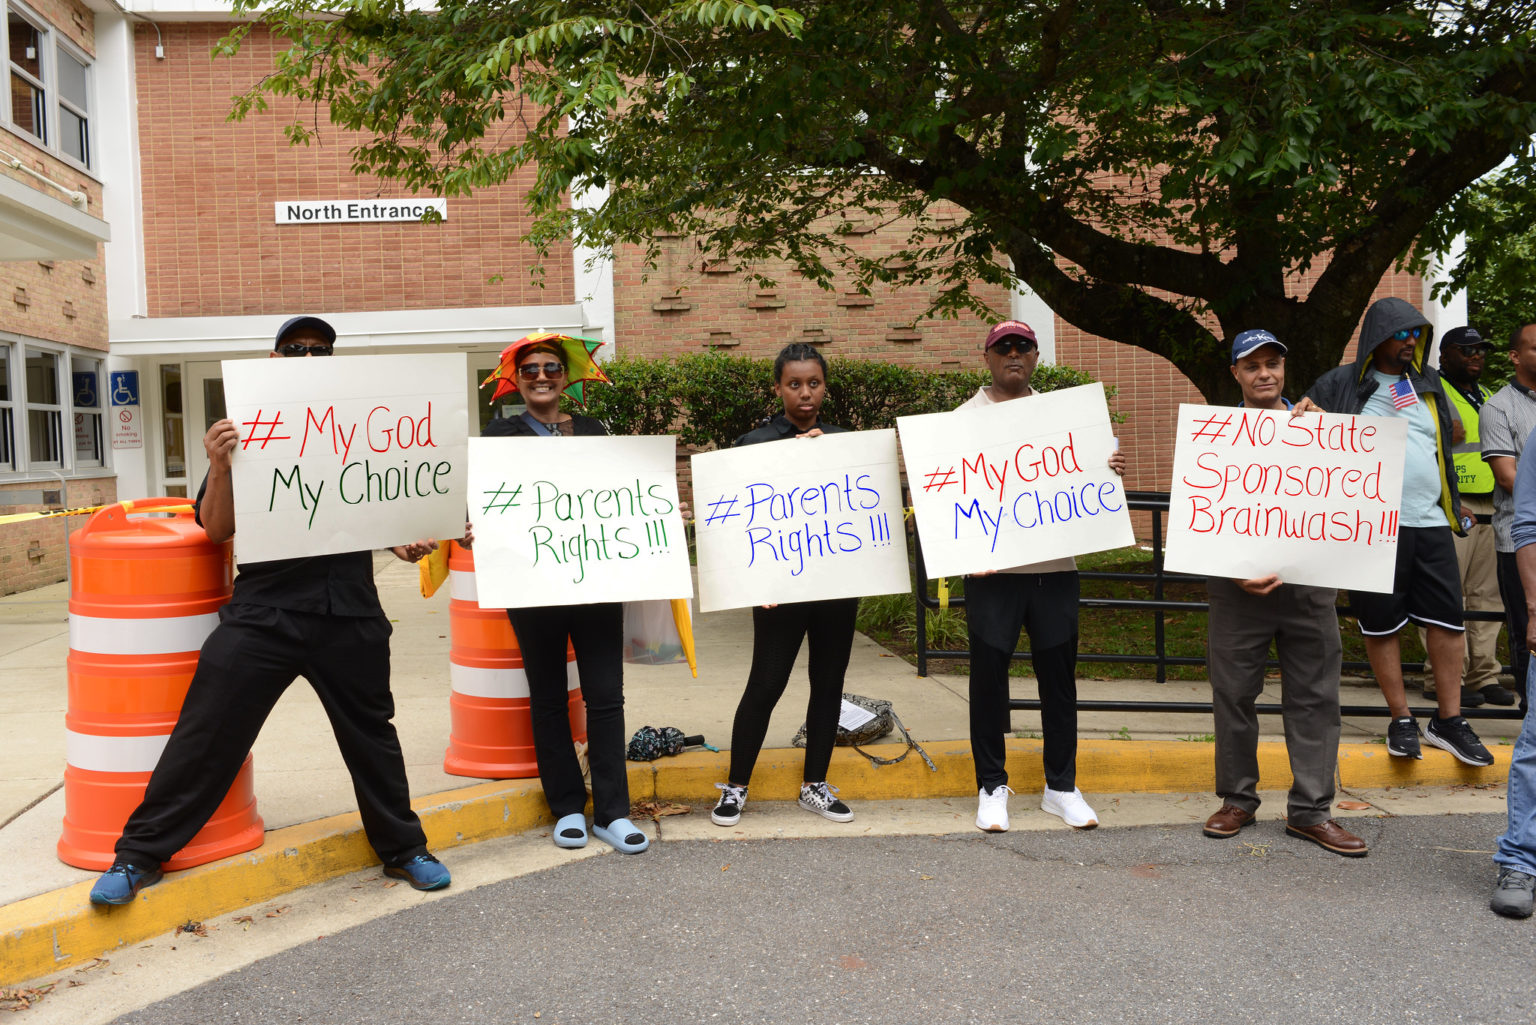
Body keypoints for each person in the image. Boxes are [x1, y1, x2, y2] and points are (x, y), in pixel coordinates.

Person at [89, 316, 451, 905]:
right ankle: (139, 856)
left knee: (372, 737)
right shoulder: (244, 433)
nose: (308, 356)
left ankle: (404, 848)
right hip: (265, 612)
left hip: (349, 611)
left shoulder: (356, 431)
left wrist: (403, 538)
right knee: (207, 730)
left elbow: (369, 504)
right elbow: (216, 529)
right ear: (275, 358)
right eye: (296, 348)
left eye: (320, 349)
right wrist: (221, 464)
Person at [1292, 297, 1493, 767]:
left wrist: (1450, 495)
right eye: (1402, 334)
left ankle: (1448, 719)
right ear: (1378, 337)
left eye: (1416, 335)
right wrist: (1305, 414)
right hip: (1370, 526)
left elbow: (1443, 442)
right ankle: (1401, 718)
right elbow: (1303, 437)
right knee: (1381, 623)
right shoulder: (1340, 383)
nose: (1410, 342)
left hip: (1430, 520)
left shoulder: (1426, 383)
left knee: (1447, 620)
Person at [481, 334, 650, 854]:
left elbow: (620, 495)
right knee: (549, 697)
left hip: (596, 581)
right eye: (529, 369)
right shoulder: (499, 434)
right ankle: (568, 808)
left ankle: (613, 812)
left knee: (605, 695)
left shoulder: (596, 430)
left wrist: (655, 509)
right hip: (532, 586)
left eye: (551, 367)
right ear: (515, 377)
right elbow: (488, 502)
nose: (540, 377)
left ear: (566, 375)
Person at [1201, 330, 1365, 856]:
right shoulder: (1215, 435)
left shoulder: (1320, 429)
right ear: (1236, 375)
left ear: (1284, 370)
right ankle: (1237, 800)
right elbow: (1198, 520)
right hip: (1236, 591)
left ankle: (1312, 811)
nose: (1264, 374)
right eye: (1252, 367)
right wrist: (1233, 571)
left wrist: (1329, 443)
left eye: (1273, 363)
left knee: (1316, 697)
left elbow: (1354, 497)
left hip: (1309, 587)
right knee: (1233, 695)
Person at [963, 319, 1126, 832]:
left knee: (1059, 683)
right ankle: (991, 786)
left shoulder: (1066, 421)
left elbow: (1086, 480)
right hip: (992, 573)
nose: (1014, 353)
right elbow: (943, 493)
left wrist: (1108, 467)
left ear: (1035, 357)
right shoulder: (962, 421)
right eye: (1003, 347)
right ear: (987, 357)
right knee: (989, 684)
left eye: (1023, 347)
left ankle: (1061, 786)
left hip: (1054, 571)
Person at [711, 343, 860, 827]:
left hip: (835, 587)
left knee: (828, 684)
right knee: (766, 683)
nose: (805, 393)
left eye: (813, 383)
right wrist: (751, 581)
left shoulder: (845, 442)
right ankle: (736, 787)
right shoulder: (754, 444)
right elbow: (734, 525)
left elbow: (864, 511)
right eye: (794, 384)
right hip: (778, 588)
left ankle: (815, 784)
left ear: (825, 387)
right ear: (778, 389)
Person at [1418, 327, 1513, 706]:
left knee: (1486, 597)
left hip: (1492, 503)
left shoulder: (1489, 396)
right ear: (1443, 355)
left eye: (1481, 350)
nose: (1476, 356)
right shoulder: (1430, 393)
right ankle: (1442, 677)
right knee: (1444, 594)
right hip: (1449, 503)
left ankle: (1484, 674)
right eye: (1466, 350)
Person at [1479, 320, 1536, 714]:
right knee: (1527, 633)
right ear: (1515, 356)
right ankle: (1532, 712)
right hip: (1520, 540)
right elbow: (1508, 476)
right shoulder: (1499, 407)